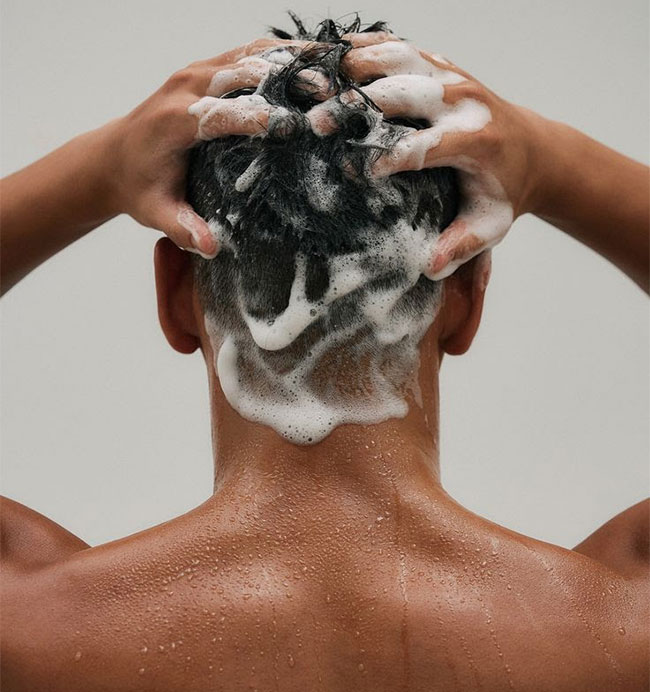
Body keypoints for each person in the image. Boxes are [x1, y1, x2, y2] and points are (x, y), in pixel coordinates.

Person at [1, 16, 648, 692]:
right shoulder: (616, 629)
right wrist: (550, 163)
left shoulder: (36, 625)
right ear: (467, 300)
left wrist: (100, 168)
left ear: (173, 296)